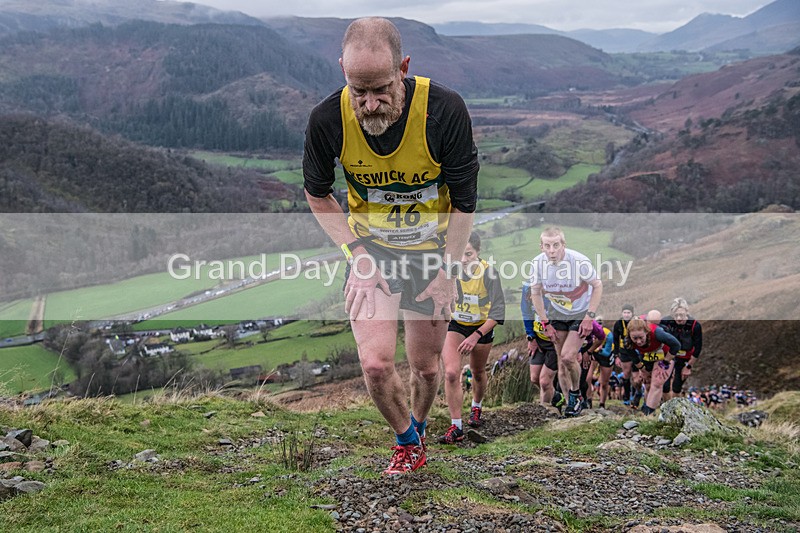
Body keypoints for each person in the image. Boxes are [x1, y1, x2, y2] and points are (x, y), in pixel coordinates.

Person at [302, 17, 479, 475]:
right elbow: (317, 193)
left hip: (433, 254)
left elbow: (464, 202)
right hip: (373, 252)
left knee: (425, 368)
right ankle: (408, 444)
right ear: (342, 68)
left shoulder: (444, 111)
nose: (370, 103)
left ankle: (418, 423)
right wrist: (355, 256)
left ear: (403, 67)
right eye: (358, 92)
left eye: (381, 89)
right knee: (376, 364)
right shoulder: (328, 119)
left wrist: (449, 273)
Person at [527, 226, 603, 417]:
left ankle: (576, 395)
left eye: (556, 245)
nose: (552, 250)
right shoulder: (537, 264)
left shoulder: (578, 261)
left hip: (580, 312)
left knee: (569, 357)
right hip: (557, 312)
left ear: (563, 244)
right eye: (547, 246)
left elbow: (597, 285)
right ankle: (571, 405)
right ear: (541, 247)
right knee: (562, 363)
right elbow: (535, 293)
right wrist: (545, 323)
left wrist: (589, 317)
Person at [439, 232, 505, 444]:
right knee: (450, 373)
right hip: (456, 325)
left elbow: (498, 312)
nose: (464, 259)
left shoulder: (489, 274)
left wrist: (476, 336)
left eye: (469, 254)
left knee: (477, 372)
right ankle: (456, 426)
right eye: (461, 254)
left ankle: (476, 407)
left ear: (478, 253)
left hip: (482, 327)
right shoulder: (450, 270)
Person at [623, 317, 682, 415]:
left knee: (657, 382)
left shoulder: (658, 333)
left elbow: (676, 345)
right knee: (647, 384)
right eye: (635, 338)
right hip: (647, 356)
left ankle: (648, 412)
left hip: (664, 355)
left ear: (646, 332)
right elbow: (634, 358)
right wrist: (643, 370)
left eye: (641, 337)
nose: (638, 342)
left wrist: (665, 362)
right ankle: (647, 406)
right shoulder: (628, 341)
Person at [522, 284, 561, 410]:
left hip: (555, 342)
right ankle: (556, 396)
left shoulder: (558, 287)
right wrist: (531, 337)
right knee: (534, 378)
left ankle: (546, 412)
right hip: (538, 340)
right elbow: (527, 313)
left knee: (544, 381)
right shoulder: (527, 287)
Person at [660, 297, 703, 400]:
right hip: (668, 355)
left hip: (684, 358)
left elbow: (697, 348)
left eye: (682, 315)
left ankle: (675, 406)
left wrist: (688, 366)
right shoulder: (665, 322)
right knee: (665, 385)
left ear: (687, 312)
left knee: (677, 386)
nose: (679, 318)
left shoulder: (695, 325)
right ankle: (666, 406)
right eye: (676, 315)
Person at [612, 304, 639, 406]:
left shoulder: (637, 322)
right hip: (624, 352)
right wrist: (616, 356)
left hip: (636, 350)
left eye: (628, 313)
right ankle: (626, 397)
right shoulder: (618, 324)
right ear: (622, 313)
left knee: (637, 377)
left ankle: (637, 393)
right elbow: (616, 340)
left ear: (632, 314)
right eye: (625, 313)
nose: (626, 315)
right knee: (626, 374)